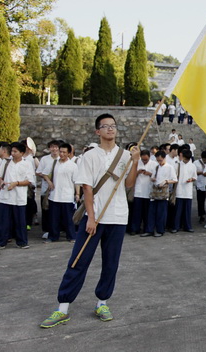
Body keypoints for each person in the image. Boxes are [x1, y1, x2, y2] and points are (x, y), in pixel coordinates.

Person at [40, 113, 139, 328]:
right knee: (78, 261)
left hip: (119, 216)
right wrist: (91, 218)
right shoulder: (90, 156)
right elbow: (86, 187)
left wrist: (136, 162)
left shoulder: (124, 155)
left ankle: (102, 302)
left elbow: (129, 184)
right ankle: (63, 307)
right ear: (98, 131)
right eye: (105, 126)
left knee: (111, 263)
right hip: (94, 218)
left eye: (113, 126)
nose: (110, 129)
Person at [0, 142, 35, 250]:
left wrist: (16, 183)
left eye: (15, 151)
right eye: (12, 151)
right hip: (5, 197)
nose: (13, 153)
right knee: (3, 221)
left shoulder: (27, 164)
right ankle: (0, 242)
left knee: (20, 221)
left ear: (21, 153)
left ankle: (22, 242)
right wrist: (1, 182)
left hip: (19, 197)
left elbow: (29, 181)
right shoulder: (6, 162)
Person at [44, 143, 79, 243]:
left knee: (68, 218)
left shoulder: (73, 166)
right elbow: (44, 173)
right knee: (54, 218)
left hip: (67, 196)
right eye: (61, 152)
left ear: (69, 153)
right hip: (54, 195)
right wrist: (49, 182)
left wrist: (77, 194)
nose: (62, 154)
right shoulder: (54, 163)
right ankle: (53, 236)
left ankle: (71, 236)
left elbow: (76, 182)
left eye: (64, 152)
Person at [142, 150, 177, 237]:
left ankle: (160, 230)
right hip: (155, 192)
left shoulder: (170, 167)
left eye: (161, 160)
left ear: (164, 158)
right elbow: (153, 177)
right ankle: (149, 229)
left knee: (161, 213)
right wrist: (153, 179)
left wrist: (166, 181)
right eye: (158, 160)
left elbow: (175, 180)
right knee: (151, 212)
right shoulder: (157, 167)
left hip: (163, 192)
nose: (159, 162)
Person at [36, 140, 61, 238]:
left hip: (58, 189)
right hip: (46, 189)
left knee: (57, 211)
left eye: (56, 147)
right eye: (52, 147)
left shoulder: (62, 159)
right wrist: (46, 176)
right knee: (46, 210)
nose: (54, 149)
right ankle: (46, 230)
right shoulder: (44, 159)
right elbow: (38, 172)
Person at [130, 150, 156, 235]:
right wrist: (137, 172)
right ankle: (135, 228)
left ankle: (147, 229)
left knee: (147, 213)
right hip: (138, 191)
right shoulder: (137, 163)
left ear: (149, 157)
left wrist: (150, 174)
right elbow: (131, 175)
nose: (144, 161)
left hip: (148, 191)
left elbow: (157, 176)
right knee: (136, 212)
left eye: (146, 159)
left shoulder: (154, 164)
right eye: (143, 159)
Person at [173, 149, 197, 232]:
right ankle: (176, 226)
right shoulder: (178, 165)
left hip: (188, 190)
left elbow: (195, 176)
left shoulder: (193, 166)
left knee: (187, 210)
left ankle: (188, 226)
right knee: (178, 210)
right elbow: (174, 176)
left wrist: (191, 179)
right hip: (179, 190)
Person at [194, 150, 206, 223]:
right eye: (205, 159)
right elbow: (193, 172)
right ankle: (201, 215)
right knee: (200, 201)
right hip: (200, 184)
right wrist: (202, 172)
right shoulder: (196, 163)